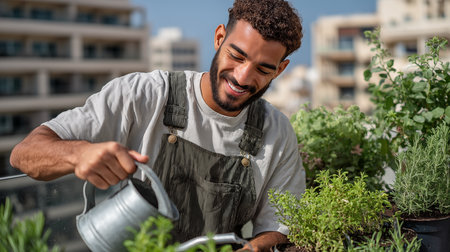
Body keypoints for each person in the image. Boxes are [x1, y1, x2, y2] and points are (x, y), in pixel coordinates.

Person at [10, 0, 305, 251]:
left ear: (280, 70)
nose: (242, 77)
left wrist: (256, 247)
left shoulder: (276, 133)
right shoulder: (145, 94)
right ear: (219, 38)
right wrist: (78, 154)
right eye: (236, 55)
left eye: (263, 69)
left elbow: (280, 228)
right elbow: (25, 154)